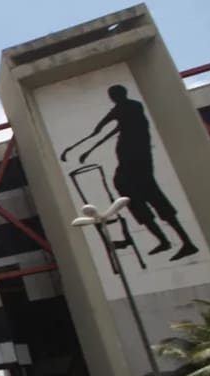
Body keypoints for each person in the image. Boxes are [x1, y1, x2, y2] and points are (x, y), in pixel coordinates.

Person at [61, 84, 198, 261]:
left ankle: (179, 242)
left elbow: (101, 128)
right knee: (142, 197)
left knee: (141, 196)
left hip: (133, 163)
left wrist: (83, 149)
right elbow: (112, 129)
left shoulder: (124, 109)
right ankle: (171, 241)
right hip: (137, 161)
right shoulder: (133, 108)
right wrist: (88, 149)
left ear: (115, 96)